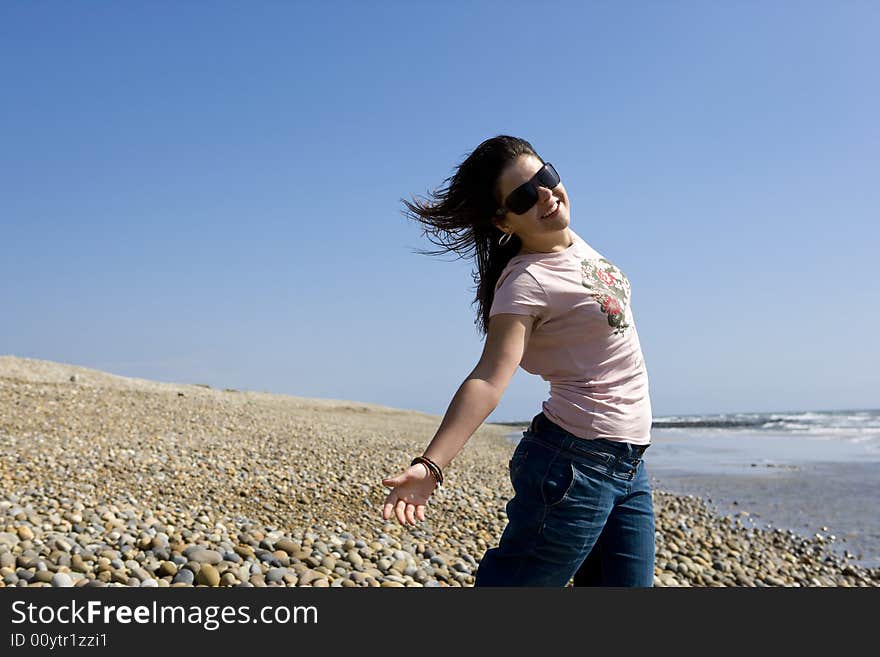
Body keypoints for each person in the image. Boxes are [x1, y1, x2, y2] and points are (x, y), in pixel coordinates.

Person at [380, 135, 655, 587]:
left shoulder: (571, 243)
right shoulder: (524, 283)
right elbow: (488, 378)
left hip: (629, 465)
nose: (546, 196)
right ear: (503, 220)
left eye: (546, 178)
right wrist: (431, 465)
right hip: (575, 469)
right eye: (526, 196)